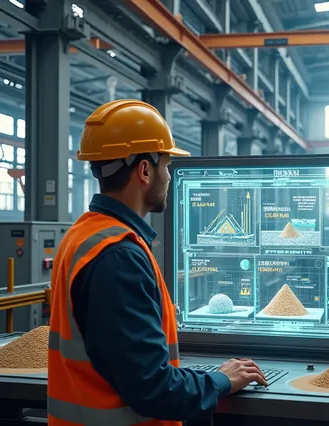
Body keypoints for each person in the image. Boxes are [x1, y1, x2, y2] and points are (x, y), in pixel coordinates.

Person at [47, 99, 267, 425]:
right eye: (166, 165)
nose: (169, 176)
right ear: (145, 171)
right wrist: (222, 379)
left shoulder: (83, 234)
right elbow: (152, 387)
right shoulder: (119, 255)